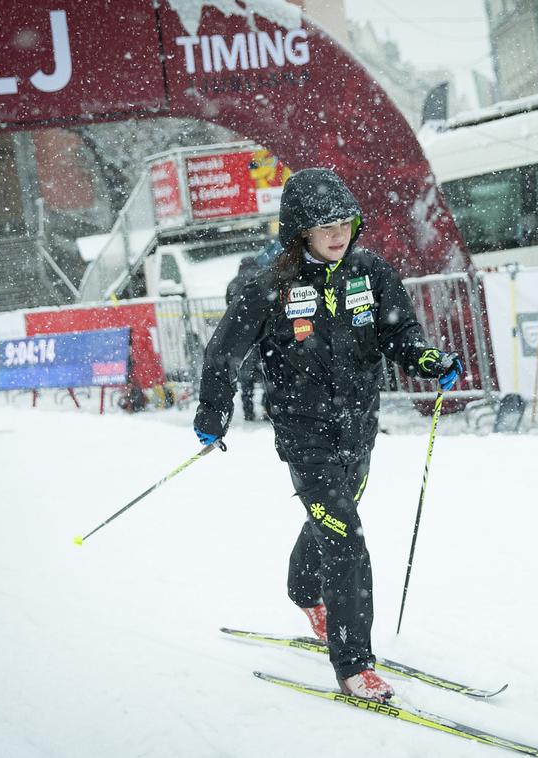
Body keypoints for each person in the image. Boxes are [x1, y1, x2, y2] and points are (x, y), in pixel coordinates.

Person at [193, 168, 462, 703]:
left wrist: (427, 358)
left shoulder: (369, 272)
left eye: (345, 223)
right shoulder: (269, 286)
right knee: (346, 538)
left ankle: (302, 590)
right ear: (300, 229)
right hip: (304, 432)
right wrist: (213, 412)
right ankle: (354, 664)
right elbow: (223, 352)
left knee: (336, 518)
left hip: (358, 426)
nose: (338, 235)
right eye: (325, 226)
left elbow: (399, 334)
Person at [226, 255, 269, 422]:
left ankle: (248, 410)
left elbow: (229, 308)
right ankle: (267, 408)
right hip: (264, 333)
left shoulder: (233, 283)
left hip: (243, 336)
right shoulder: (263, 277)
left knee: (246, 376)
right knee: (267, 372)